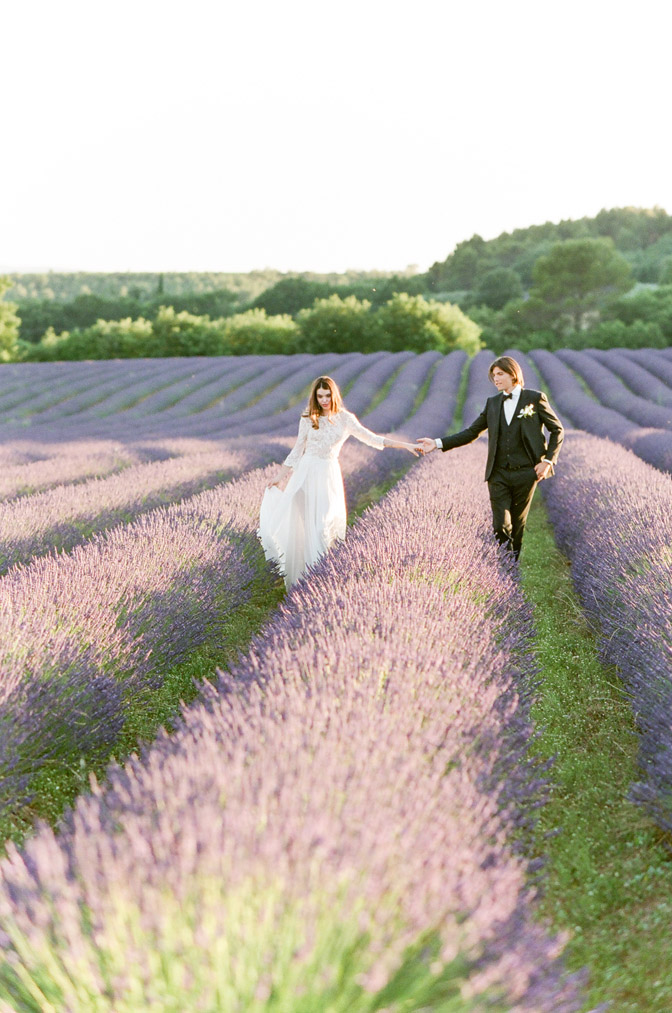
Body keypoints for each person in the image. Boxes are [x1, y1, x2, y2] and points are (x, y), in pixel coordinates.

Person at [258, 375, 420, 587]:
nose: (324, 400)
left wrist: (405, 445)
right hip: (305, 475)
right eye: (320, 396)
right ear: (315, 397)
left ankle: (320, 580)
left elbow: (372, 438)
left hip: (327, 476)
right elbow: (298, 450)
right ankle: (301, 583)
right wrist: (279, 478)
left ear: (334, 395)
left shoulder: (345, 418)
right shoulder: (308, 417)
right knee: (303, 528)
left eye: (327, 395)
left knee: (323, 527)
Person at [417, 356, 564, 560]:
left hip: (526, 472)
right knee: (500, 526)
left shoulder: (535, 398)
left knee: (517, 525)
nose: (495, 379)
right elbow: (471, 433)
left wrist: (547, 461)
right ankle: (505, 564)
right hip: (498, 473)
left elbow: (557, 430)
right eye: (493, 375)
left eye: (500, 374)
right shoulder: (493, 403)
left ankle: (510, 568)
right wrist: (437, 443)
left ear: (513, 375)